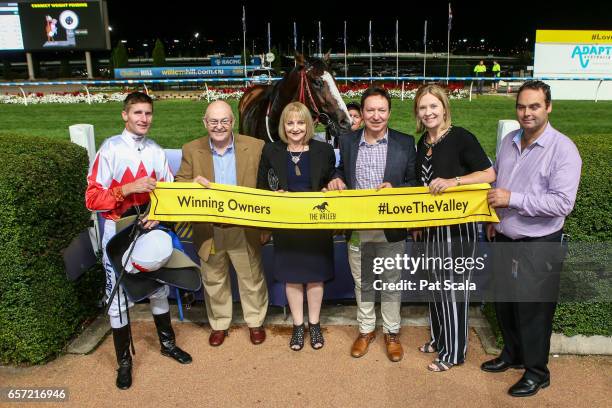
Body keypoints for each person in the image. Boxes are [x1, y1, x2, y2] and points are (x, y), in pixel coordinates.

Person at [85, 91, 192, 390]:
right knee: (117, 299)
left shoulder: (156, 151)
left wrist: (163, 214)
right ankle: (124, 362)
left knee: (158, 288)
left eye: (148, 114)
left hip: (148, 228)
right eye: (137, 113)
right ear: (125, 115)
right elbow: (92, 198)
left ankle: (167, 344)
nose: (144, 119)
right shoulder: (110, 150)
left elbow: (170, 196)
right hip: (117, 231)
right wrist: (128, 188)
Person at [483, 80, 581, 397]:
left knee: (534, 310)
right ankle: (513, 356)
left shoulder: (563, 149)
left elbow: (562, 203)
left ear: (548, 107)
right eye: (522, 106)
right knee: (507, 304)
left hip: (539, 243)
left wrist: (512, 198)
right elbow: (498, 178)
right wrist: (493, 219)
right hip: (505, 238)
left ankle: (538, 372)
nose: (527, 113)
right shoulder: (511, 140)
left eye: (534, 106)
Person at [327, 87, 417, 362]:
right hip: (358, 227)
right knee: (363, 282)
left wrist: (397, 188)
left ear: (389, 112)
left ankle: (391, 332)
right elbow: (340, 170)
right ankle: (366, 330)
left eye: (381, 110)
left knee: (391, 282)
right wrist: (335, 178)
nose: (376, 116)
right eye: (370, 110)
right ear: (362, 113)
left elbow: (415, 183)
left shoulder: (405, 142)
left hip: (391, 228)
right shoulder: (348, 140)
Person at [412, 84, 496, 372]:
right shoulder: (422, 143)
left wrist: (454, 181)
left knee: (453, 289)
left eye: (433, 106)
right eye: (423, 107)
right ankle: (439, 338)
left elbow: (489, 172)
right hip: (432, 228)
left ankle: (454, 352)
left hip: (458, 228)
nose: (428, 112)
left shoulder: (461, 137)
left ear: (445, 108)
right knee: (435, 287)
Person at [175, 100, 269, 347]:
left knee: (251, 277)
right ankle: (219, 324)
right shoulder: (191, 149)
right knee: (214, 279)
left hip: (244, 227)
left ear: (233, 122)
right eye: (213, 121)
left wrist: (267, 226)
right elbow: (178, 185)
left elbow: (267, 187)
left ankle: (255, 322)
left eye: (224, 121)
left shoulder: (256, 146)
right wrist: (191, 184)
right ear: (205, 122)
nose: (219, 126)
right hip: (209, 229)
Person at [257, 102, 336, 351]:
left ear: (309, 125)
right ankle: (298, 326)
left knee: (315, 277)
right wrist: (274, 193)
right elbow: (261, 188)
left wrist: (331, 186)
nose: (295, 128)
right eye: (290, 123)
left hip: (316, 225)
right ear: (283, 126)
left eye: (300, 122)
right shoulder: (271, 151)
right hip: (287, 225)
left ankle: (314, 324)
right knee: (292, 278)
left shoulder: (324, 150)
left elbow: (333, 178)